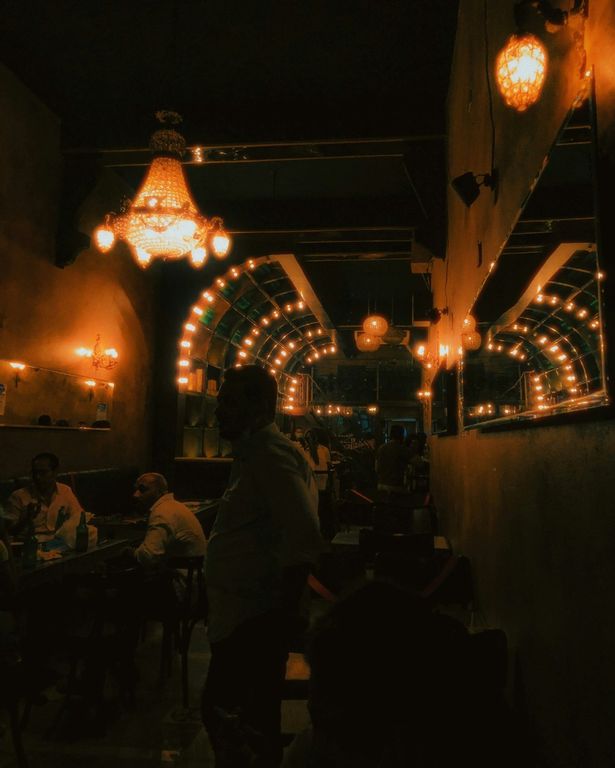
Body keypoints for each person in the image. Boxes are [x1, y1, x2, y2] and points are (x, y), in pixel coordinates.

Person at [201, 365, 322, 768]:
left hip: (254, 618)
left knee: (236, 721)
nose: (218, 412)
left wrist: (280, 619)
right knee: (244, 720)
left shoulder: (270, 455)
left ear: (258, 407)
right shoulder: (254, 453)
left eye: (228, 403)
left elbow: (304, 535)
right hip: (242, 614)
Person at [132, 473, 206, 568]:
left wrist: (131, 552)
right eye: (136, 490)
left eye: (142, 489)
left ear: (159, 491)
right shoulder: (172, 505)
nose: (135, 495)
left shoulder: (161, 513)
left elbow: (148, 556)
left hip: (182, 572)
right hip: (194, 567)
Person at [3, 452, 82, 535]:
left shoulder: (65, 490)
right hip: (31, 540)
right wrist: (27, 518)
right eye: (34, 473)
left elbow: (79, 517)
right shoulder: (18, 496)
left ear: (55, 472)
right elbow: (9, 531)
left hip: (60, 539)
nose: (37, 477)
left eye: (43, 473)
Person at [375, 425, 411, 492]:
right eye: (405, 434)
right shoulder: (402, 448)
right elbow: (419, 463)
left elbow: (376, 468)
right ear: (402, 435)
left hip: (381, 485)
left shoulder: (381, 447)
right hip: (395, 486)